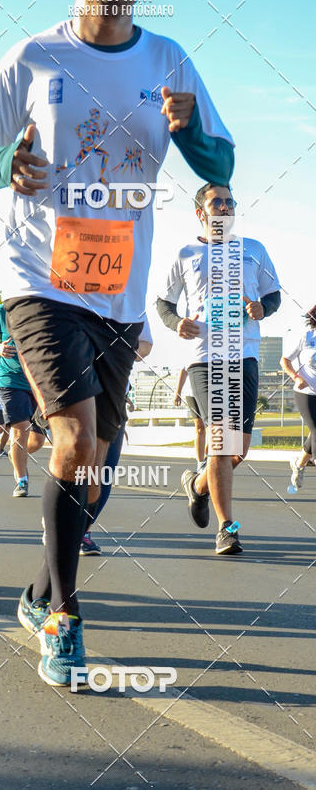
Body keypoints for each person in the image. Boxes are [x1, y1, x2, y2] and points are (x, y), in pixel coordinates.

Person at [0, 0, 234, 684]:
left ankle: (42, 586)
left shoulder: (170, 59)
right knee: (74, 443)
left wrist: (191, 133)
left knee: (102, 464)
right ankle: (64, 618)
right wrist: (0, 166)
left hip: (118, 287)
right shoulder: (34, 56)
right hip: (38, 274)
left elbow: (222, 162)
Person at [157, 183, 280, 555]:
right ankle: (228, 528)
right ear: (201, 213)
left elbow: (272, 294)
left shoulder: (253, 250)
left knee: (237, 449)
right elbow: (164, 303)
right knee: (222, 442)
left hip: (245, 353)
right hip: (204, 355)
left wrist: (262, 309)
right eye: (217, 203)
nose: (224, 207)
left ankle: (197, 486)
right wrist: (176, 323)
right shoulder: (185, 253)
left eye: (229, 202)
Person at [80, 323, 152, 555]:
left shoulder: (132, 300)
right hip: (77, 391)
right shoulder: (75, 294)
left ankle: (82, 530)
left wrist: (116, 352)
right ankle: (60, 521)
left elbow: (146, 345)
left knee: (105, 471)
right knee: (76, 463)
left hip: (115, 394)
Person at [0, 302, 46, 496]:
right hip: (10, 380)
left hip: (38, 383)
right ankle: (22, 481)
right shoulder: (2, 311)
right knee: (21, 428)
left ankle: (14, 453)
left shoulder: (46, 311)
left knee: (38, 440)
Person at [280, 307, 316, 491]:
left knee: (314, 433)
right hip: (306, 392)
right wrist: (296, 377)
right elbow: (284, 360)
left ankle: (299, 463)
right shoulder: (306, 336)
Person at [174, 365, 207, 472]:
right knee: (200, 427)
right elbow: (184, 371)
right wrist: (178, 393)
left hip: (212, 391)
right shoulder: (191, 350)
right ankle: (201, 463)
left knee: (213, 427)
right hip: (192, 394)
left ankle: (209, 458)